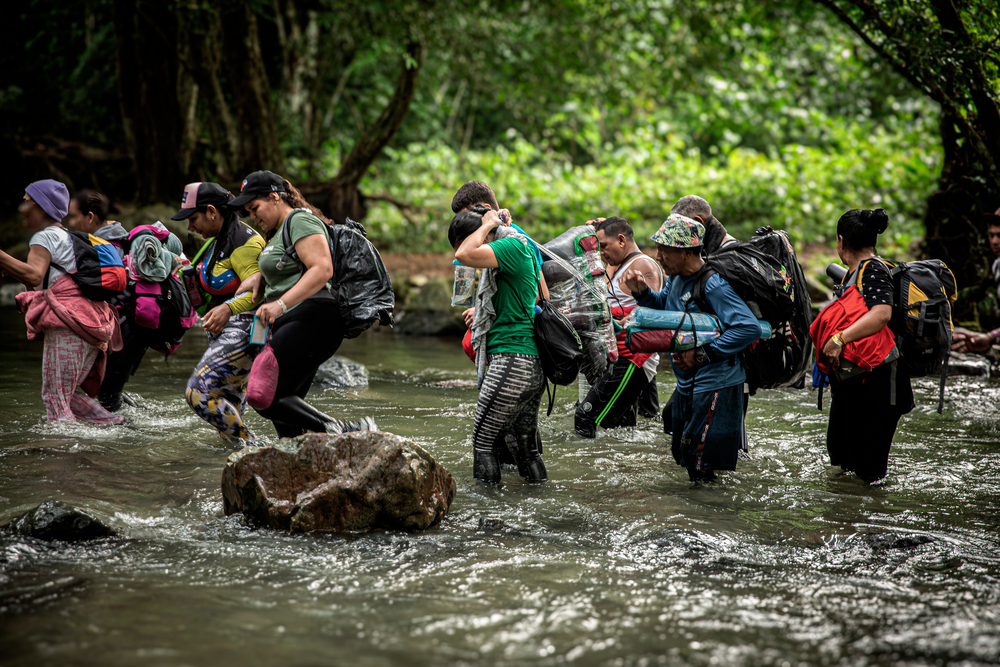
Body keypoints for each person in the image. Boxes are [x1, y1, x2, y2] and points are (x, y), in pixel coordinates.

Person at [236, 170, 376, 439]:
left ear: (275, 197)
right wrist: (260, 279)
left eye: (255, 208)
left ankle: (347, 430)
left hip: (314, 318)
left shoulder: (299, 220)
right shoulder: (277, 232)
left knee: (261, 395)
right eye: (248, 212)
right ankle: (297, 459)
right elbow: (288, 268)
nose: (253, 216)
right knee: (283, 406)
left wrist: (280, 305)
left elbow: (322, 269)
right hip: (296, 320)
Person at [621, 214, 760, 482]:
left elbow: (748, 328)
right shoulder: (676, 278)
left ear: (686, 252)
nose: (658, 257)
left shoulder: (713, 284)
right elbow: (666, 306)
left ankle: (710, 518)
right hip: (688, 383)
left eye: (664, 250)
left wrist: (700, 355)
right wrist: (642, 293)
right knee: (685, 456)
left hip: (716, 383)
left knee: (700, 463)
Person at [0, 180, 124, 425]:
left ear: (42, 207)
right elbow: (43, 283)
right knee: (68, 396)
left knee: (54, 399)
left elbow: (35, 276)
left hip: (69, 324)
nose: (20, 209)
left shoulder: (43, 237)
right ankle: (118, 426)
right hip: (92, 325)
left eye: (26, 202)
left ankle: (63, 456)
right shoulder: (68, 237)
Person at [814, 208, 914, 483]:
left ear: (840, 240)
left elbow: (882, 313)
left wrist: (840, 338)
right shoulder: (852, 274)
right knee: (842, 455)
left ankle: (870, 523)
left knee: (869, 470)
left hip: (880, 382)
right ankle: (850, 517)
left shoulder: (872, 270)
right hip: (856, 380)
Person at [450, 206, 546, 483]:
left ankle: (487, 515)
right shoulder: (517, 245)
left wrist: (484, 225)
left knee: (483, 442)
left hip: (512, 359)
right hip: (528, 363)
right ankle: (541, 500)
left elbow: (464, 254)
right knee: (526, 450)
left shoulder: (511, 245)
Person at [174, 181, 266, 444]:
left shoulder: (244, 242)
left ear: (212, 212)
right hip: (225, 331)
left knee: (198, 393)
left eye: (194, 219)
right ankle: (243, 459)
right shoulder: (216, 241)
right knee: (227, 410)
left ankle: (255, 448)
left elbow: (258, 292)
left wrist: (227, 308)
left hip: (248, 329)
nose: (191, 227)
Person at [575, 216, 664, 437]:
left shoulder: (642, 264)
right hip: (618, 357)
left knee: (585, 416)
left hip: (634, 358)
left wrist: (623, 321)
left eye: (604, 246)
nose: (601, 252)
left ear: (621, 240)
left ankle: (588, 467)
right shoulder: (618, 265)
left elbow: (656, 311)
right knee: (620, 430)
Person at [451, 180, 549, 330]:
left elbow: (541, 298)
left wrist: (482, 311)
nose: (463, 224)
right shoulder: (489, 243)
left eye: (467, 217)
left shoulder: (516, 242)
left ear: (486, 210)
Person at [952, 206, 1000, 353]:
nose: (994, 241)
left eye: (999, 235)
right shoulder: (997, 265)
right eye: (991, 235)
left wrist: (991, 336)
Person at [65, 190, 129, 256]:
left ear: (90, 217)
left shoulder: (99, 251)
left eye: (74, 216)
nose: (71, 223)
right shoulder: (121, 240)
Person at [669, 195, 736, 256]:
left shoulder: (730, 255)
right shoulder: (711, 250)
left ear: (698, 221)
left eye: (680, 226)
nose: (678, 232)